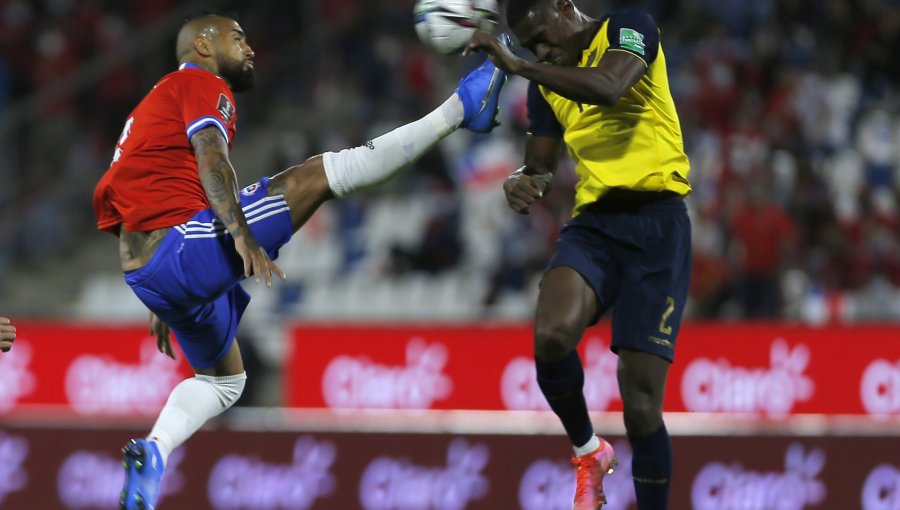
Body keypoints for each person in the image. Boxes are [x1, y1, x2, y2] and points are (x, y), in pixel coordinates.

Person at [93, 13, 508, 510]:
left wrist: (163, 291)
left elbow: (126, 205)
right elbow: (212, 158)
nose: (249, 49)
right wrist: (238, 234)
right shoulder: (200, 84)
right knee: (315, 175)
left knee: (225, 381)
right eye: (238, 37)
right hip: (182, 249)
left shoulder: (148, 109)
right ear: (204, 45)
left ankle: (154, 451)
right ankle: (463, 108)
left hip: (149, 268)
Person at [466, 1, 691, 508]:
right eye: (530, 47)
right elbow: (538, 166)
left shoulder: (629, 27)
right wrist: (523, 183)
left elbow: (611, 86)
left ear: (564, 7)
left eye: (543, 37)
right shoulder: (547, 81)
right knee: (550, 336)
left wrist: (520, 66)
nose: (541, 51)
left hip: (658, 223)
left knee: (640, 406)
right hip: (596, 226)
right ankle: (588, 451)